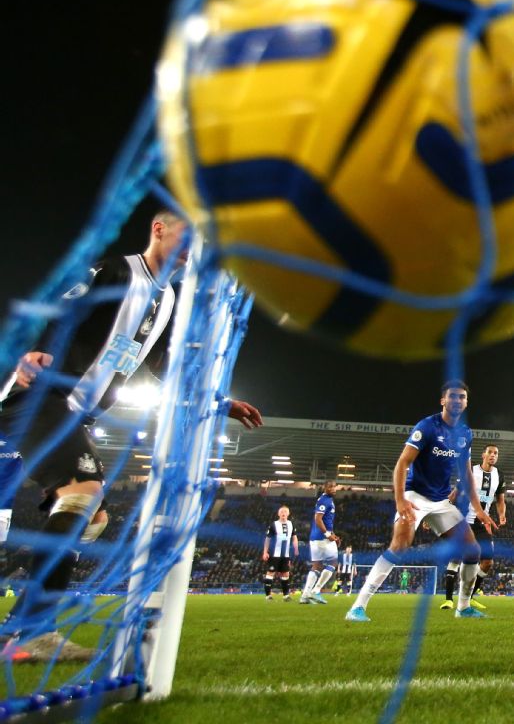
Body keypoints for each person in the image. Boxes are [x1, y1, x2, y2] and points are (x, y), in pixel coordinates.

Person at [0, 211, 262, 657]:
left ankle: (17, 624)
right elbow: (63, 306)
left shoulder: (169, 300)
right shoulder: (117, 270)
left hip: (74, 415)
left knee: (92, 518)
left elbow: (159, 372)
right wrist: (36, 349)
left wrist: (220, 403)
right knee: (83, 493)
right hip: (39, 397)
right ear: (159, 230)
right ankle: (32, 631)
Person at [345, 380, 495, 622]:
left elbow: (466, 474)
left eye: (462, 397)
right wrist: (400, 499)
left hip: (441, 500)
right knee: (400, 546)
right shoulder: (427, 426)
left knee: (473, 550)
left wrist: (479, 509)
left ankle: (463, 607)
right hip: (414, 495)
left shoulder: (465, 434)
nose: (458, 400)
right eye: (453, 396)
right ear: (443, 400)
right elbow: (402, 463)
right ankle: (357, 607)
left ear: (466, 403)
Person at [442, 444, 507, 611]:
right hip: (464, 521)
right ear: (483, 454)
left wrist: (501, 514)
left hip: (481, 524)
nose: (493, 455)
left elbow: (500, 500)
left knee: (487, 562)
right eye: (490, 452)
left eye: (496, 453)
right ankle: (449, 599)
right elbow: (455, 493)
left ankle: (468, 598)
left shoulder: (499, 475)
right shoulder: (471, 471)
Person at [299, 480, 340, 605]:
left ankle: (305, 595)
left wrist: (332, 534)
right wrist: (328, 534)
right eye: (330, 487)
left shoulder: (326, 499)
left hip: (317, 537)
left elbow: (323, 520)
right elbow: (318, 519)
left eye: (334, 486)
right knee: (333, 563)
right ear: (325, 488)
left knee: (317, 566)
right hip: (323, 538)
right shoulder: (325, 500)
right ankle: (316, 591)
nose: (333, 489)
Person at [262, 505, 298, 601]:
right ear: (278, 513)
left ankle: (286, 596)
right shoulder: (274, 524)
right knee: (270, 573)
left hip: (285, 555)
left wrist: (296, 548)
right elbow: (268, 539)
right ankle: (268, 596)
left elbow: (294, 537)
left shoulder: (291, 524)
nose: (283, 513)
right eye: (281, 511)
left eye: (285, 511)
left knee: (285, 574)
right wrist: (265, 552)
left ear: (288, 514)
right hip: (274, 554)